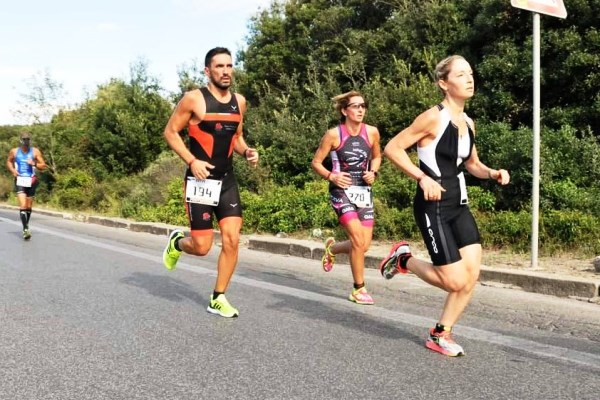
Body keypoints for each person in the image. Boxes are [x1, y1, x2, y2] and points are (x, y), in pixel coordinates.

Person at [380, 55, 509, 356]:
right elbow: (392, 148)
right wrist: (421, 177)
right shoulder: (432, 118)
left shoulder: (469, 122)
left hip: (459, 205)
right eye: (461, 74)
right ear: (443, 83)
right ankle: (403, 260)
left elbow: (472, 164)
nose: (469, 78)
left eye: (470, 73)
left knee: (471, 275)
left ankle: (441, 333)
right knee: (454, 280)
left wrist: (491, 173)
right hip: (432, 206)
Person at [162, 47, 259, 318]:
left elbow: (236, 136)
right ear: (208, 71)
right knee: (202, 247)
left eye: (229, 66)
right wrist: (192, 161)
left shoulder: (239, 101)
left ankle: (218, 297)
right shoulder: (193, 99)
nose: (226, 71)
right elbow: (170, 132)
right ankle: (178, 242)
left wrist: (247, 150)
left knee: (232, 240)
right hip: (200, 182)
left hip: (227, 180)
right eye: (219, 66)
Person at [311, 91, 382, 305]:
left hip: (363, 192)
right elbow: (315, 163)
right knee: (358, 242)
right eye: (355, 106)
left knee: (363, 245)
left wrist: (374, 172)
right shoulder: (333, 135)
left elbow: (377, 156)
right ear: (344, 111)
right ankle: (358, 289)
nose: (361, 110)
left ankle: (332, 249)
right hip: (340, 192)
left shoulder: (372, 132)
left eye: (363, 105)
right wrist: (332, 176)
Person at [6, 131, 47, 240]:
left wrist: (34, 163)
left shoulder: (35, 151)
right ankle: (25, 229)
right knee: (23, 205)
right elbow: (9, 162)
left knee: (28, 206)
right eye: (24, 139)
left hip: (31, 180)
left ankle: (26, 225)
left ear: (30, 140)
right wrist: (13, 170)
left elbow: (43, 165)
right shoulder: (14, 152)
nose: (26, 141)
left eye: (28, 139)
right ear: (20, 140)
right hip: (20, 180)